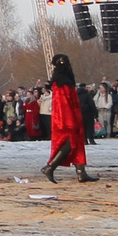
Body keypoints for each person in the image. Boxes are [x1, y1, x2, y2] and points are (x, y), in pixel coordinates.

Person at [42, 53, 92, 183]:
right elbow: (63, 103)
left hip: (71, 116)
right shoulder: (61, 81)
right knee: (70, 143)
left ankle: (81, 172)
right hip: (66, 118)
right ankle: (50, 167)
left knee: (77, 143)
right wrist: (69, 121)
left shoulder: (63, 79)